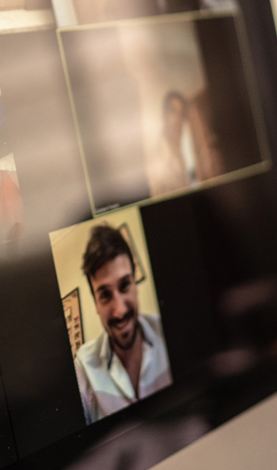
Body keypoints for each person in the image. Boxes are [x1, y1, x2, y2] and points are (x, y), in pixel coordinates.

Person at [73, 224, 172, 423]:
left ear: (135, 286)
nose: (119, 310)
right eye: (105, 295)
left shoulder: (168, 330)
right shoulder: (83, 368)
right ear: (95, 304)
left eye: (124, 285)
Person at [145, 90, 194, 197]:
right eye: (173, 112)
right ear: (164, 115)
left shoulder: (185, 152)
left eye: (181, 115)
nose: (178, 120)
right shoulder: (154, 159)